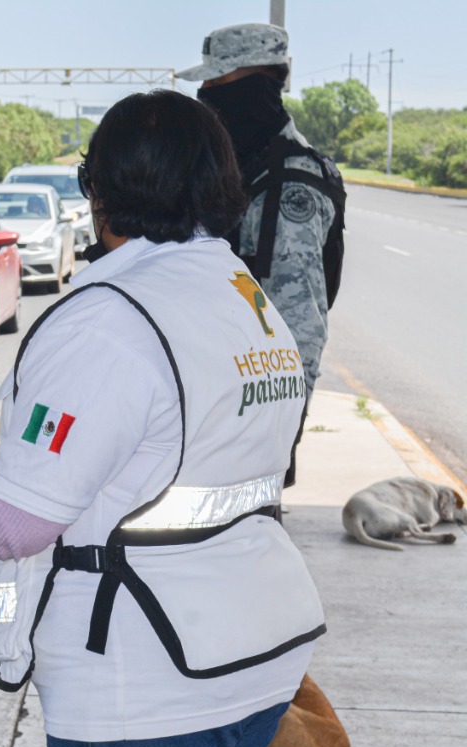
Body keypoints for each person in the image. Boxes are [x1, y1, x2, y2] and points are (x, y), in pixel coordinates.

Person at [0, 90, 325, 747]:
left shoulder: (108, 319)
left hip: (143, 687)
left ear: (100, 191)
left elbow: (18, 520)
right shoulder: (243, 295)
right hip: (251, 659)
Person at [178, 22, 346, 486]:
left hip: (245, 426)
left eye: (218, 84)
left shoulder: (291, 183)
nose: (206, 94)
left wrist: (279, 439)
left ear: (262, 82)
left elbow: (300, 326)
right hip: (203, 406)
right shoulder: (235, 168)